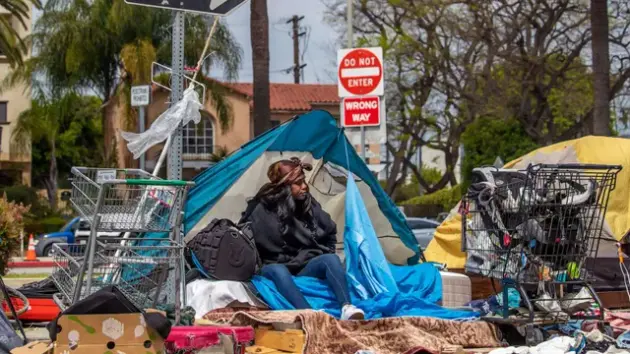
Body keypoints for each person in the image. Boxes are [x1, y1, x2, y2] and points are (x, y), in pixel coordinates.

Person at [240, 157, 365, 320]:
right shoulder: (262, 207)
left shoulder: (307, 204)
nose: (304, 187)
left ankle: (347, 307)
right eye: (298, 183)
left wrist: (317, 252)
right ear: (284, 186)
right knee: (279, 270)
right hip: (273, 266)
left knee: (330, 259)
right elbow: (251, 241)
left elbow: (328, 231)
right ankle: (310, 315)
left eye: (303, 181)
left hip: (303, 265)